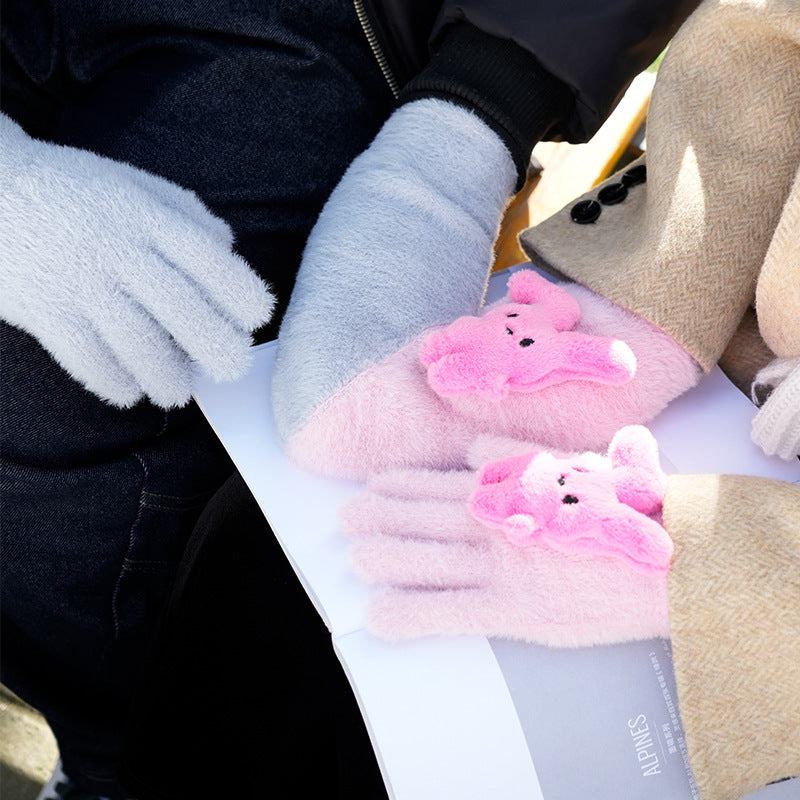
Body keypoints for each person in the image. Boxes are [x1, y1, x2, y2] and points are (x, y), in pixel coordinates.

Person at [1, 1, 699, 797]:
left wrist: (482, 98)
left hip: (334, 22)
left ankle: (120, 759)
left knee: (51, 394)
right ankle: (119, 756)